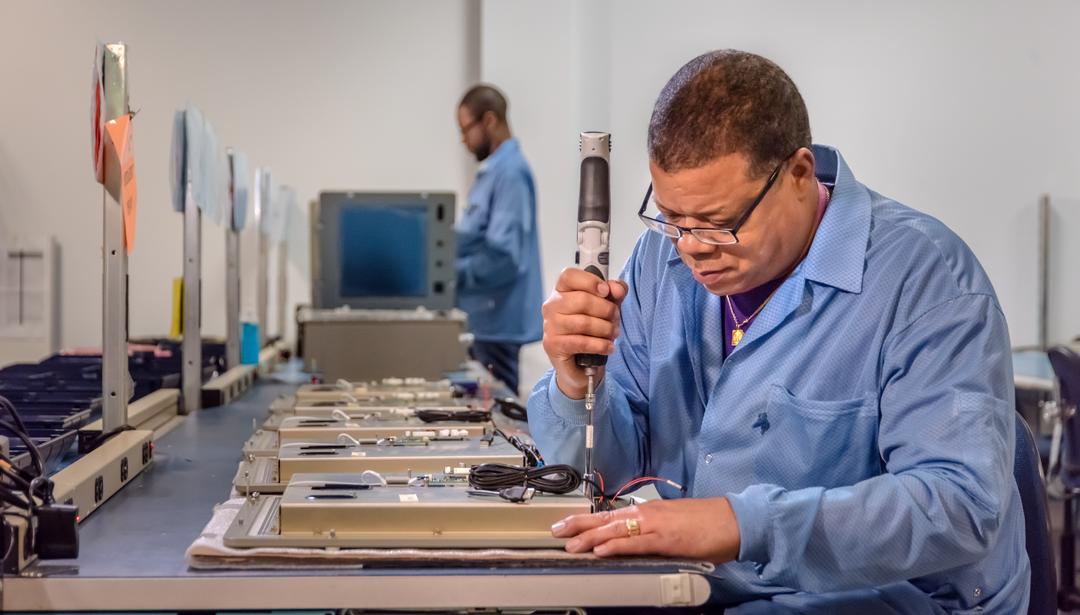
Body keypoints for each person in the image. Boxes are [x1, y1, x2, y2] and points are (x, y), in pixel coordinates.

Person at [527, 50, 1029, 613]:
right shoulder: (658, 264)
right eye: (672, 218)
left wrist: (746, 524)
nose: (692, 248)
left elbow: (960, 507)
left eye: (719, 224)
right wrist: (576, 384)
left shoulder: (925, 279)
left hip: (889, 599)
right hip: (707, 588)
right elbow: (612, 474)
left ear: (798, 174)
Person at [455, 84, 543, 395]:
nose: (464, 140)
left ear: (489, 120)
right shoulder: (492, 173)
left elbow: (504, 255)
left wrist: (449, 276)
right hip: (483, 321)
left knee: (501, 425)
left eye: (466, 129)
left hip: (498, 324)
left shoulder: (510, 173)